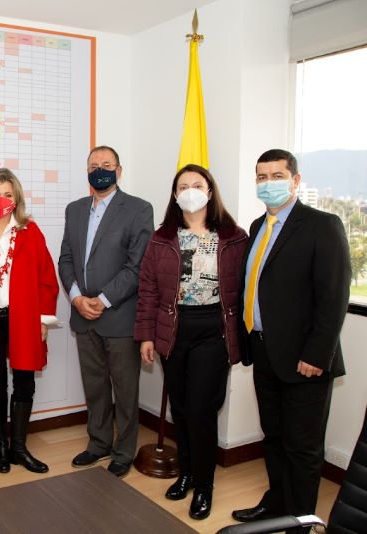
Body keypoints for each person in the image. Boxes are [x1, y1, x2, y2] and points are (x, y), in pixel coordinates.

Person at [232, 149, 350, 532]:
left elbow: (333, 297)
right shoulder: (257, 227)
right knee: (274, 437)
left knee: (302, 448)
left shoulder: (321, 225)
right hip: (263, 349)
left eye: (277, 176)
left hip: (305, 359)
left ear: (295, 180)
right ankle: (276, 506)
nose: (268, 184)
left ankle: (299, 522)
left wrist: (317, 354)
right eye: (261, 177)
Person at [134, 164, 248, 520]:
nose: (190, 191)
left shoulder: (233, 237)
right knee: (181, 407)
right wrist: (146, 335)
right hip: (173, 330)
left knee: (201, 409)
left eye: (197, 185)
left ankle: (204, 486)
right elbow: (148, 290)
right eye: (183, 186)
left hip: (213, 330)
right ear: (174, 194)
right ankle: (185, 473)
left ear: (210, 192)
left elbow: (245, 290)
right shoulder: (162, 238)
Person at [58, 145, 153, 478]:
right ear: (87, 172)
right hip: (83, 315)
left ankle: (124, 451)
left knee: (125, 390)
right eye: (94, 165)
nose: (100, 169)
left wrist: (103, 299)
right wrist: (76, 298)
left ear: (119, 170)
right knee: (95, 386)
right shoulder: (75, 210)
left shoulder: (139, 209)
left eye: (107, 164)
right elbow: (66, 259)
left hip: (120, 316)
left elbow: (137, 265)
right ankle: (98, 443)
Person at [0, 168, 59, 474]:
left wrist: (43, 320)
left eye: (7, 194)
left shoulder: (31, 231)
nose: (1, 200)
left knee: (24, 380)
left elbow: (46, 277)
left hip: (24, 316)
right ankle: (0, 446)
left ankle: (19, 446)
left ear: (16, 198)